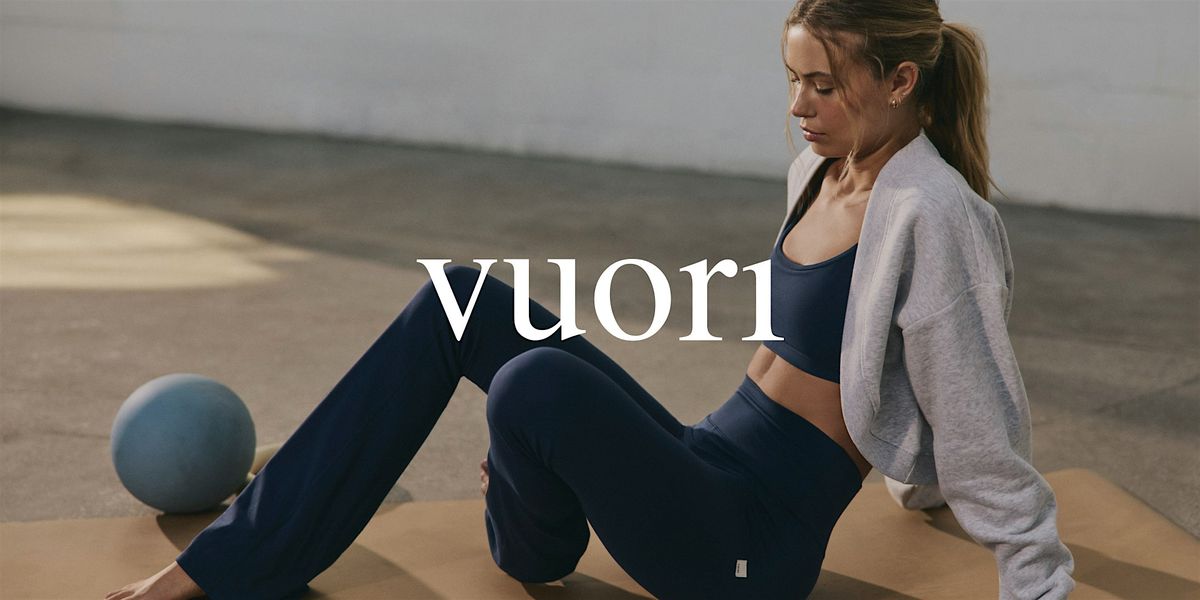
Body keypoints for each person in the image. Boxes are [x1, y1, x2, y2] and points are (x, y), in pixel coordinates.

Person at [106, 1, 1076, 599]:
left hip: (747, 552)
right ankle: (247, 558)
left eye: (822, 85)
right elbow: (862, 359)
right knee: (459, 299)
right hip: (706, 456)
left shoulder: (937, 214)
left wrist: (1025, 570)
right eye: (792, 80)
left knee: (533, 384)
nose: (797, 106)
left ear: (901, 80)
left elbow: (973, 402)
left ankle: (526, 520)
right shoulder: (817, 171)